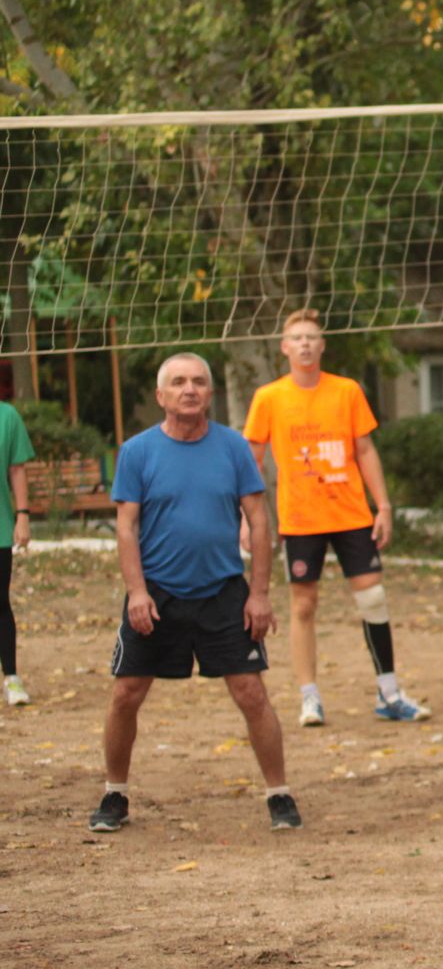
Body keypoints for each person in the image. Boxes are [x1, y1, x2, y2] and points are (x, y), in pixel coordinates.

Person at [89, 351, 300, 833]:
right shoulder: (138, 452)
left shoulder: (233, 447)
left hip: (223, 592)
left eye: (199, 382)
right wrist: (136, 592)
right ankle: (114, 794)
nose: (190, 389)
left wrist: (259, 594)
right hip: (156, 594)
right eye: (179, 382)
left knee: (251, 692)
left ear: (210, 392)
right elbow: (126, 527)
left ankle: (279, 794)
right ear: (161, 395)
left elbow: (259, 520)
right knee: (125, 694)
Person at [244, 309, 427, 726]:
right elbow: (250, 461)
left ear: (323, 345)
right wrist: (247, 518)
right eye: (297, 338)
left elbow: (365, 450)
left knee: (373, 598)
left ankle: (389, 693)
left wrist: (383, 506)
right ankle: (310, 698)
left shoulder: (346, 391)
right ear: (285, 348)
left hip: (350, 514)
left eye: (312, 337)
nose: (305, 344)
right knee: (303, 605)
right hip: (301, 518)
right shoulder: (269, 397)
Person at [0, 381, 33, 707]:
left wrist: (22, 515)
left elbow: (17, 469)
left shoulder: (7, 416)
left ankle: (11, 676)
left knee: (0, 602)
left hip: (0, 526)